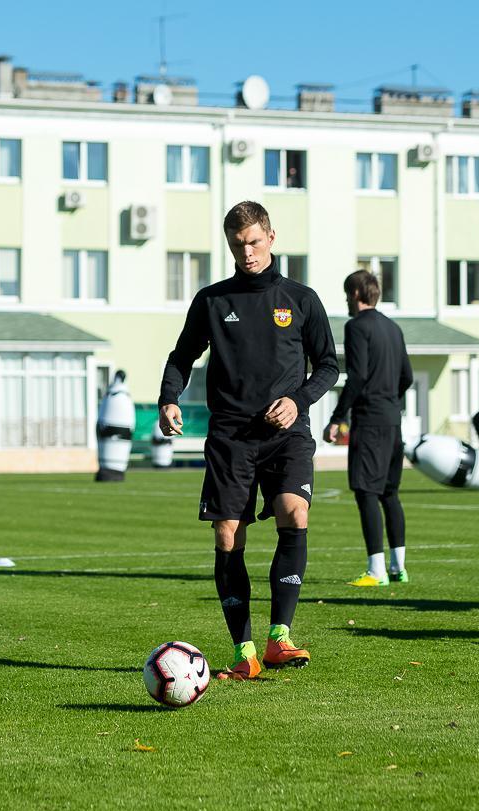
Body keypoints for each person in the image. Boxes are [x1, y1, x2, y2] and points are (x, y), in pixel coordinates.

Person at [159, 201, 338, 680]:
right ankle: (245, 653)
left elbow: (328, 366)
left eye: (255, 242)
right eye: (238, 245)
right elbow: (182, 356)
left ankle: (280, 637)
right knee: (227, 535)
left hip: (286, 434)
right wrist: (169, 398)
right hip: (231, 438)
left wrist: (298, 400)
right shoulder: (213, 301)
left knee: (294, 512)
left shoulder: (301, 299)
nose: (247, 253)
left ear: (271, 238)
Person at [323, 270, 413, 587]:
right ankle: (398, 568)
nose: (347, 302)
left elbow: (358, 376)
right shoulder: (393, 328)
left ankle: (376, 571)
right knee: (390, 493)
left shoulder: (357, 327)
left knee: (366, 492)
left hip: (370, 421)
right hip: (393, 419)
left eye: (347, 295)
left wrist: (338, 417)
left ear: (356, 294)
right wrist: (388, 400)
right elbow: (407, 377)